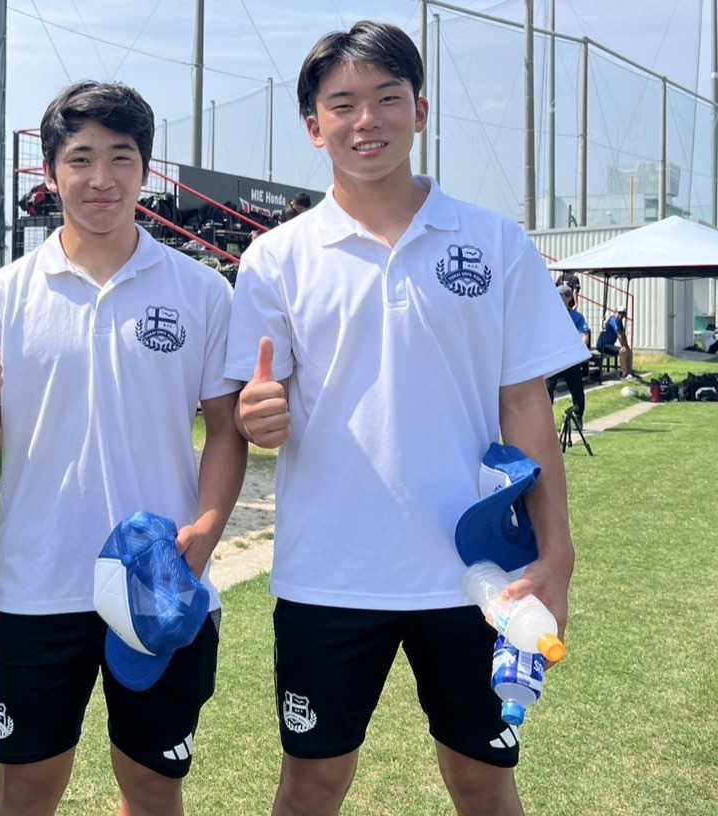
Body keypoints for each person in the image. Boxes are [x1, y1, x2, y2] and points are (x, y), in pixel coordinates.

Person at [225, 22, 586, 816]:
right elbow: (255, 405)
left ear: (420, 111)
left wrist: (556, 555)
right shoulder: (276, 259)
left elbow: (525, 404)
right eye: (342, 104)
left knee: (483, 781)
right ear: (313, 126)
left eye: (388, 98)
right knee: (312, 783)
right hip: (329, 573)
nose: (367, 121)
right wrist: (259, 416)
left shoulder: (494, 242)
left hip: (477, 576)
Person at [0, 80, 248, 816]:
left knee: (152, 786)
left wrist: (205, 533)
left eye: (121, 157)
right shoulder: (2, 296)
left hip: (162, 579)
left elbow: (225, 428)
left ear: (146, 169)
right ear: (52, 173)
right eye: (80, 159)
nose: (101, 178)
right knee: (25, 790)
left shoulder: (201, 291)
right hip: (41, 582)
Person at [545, 285, 591, 425]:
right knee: (547, 389)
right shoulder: (549, 315)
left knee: (577, 389)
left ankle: (578, 416)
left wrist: (580, 349)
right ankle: (546, 420)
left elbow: (584, 334)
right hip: (554, 359)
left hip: (570, 360)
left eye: (560, 296)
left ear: (568, 298)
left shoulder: (577, 317)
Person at [596, 308, 634, 379]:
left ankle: (629, 371)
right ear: (615, 312)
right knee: (623, 351)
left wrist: (626, 346)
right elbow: (619, 335)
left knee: (629, 350)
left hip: (610, 345)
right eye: (619, 313)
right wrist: (623, 346)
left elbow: (623, 335)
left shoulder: (619, 321)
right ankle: (624, 373)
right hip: (603, 346)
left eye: (622, 313)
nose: (621, 315)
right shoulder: (613, 320)